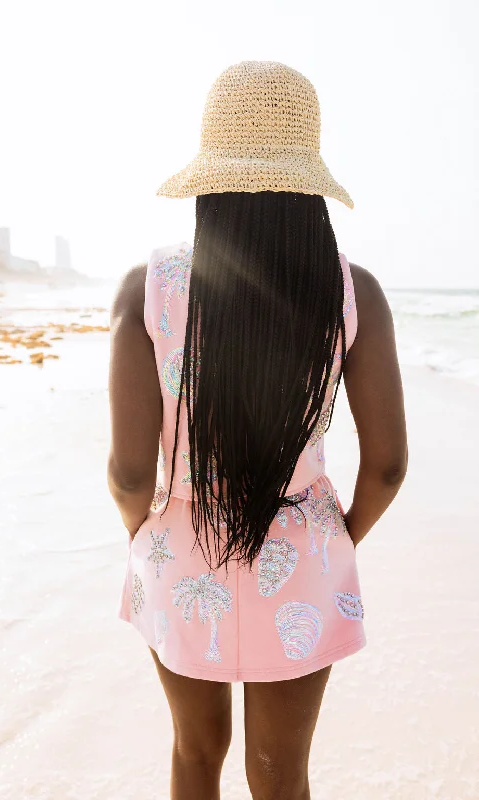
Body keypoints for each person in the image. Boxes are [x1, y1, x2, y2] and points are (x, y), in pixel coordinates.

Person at [108, 61, 407, 800]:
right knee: (280, 776)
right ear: (308, 179)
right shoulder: (351, 289)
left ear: (210, 175)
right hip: (301, 550)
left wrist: (146, 535)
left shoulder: (150, 286)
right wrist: (332, 538)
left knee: (193, 752)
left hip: (179, 547)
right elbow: (389, 465)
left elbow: (125, 473)